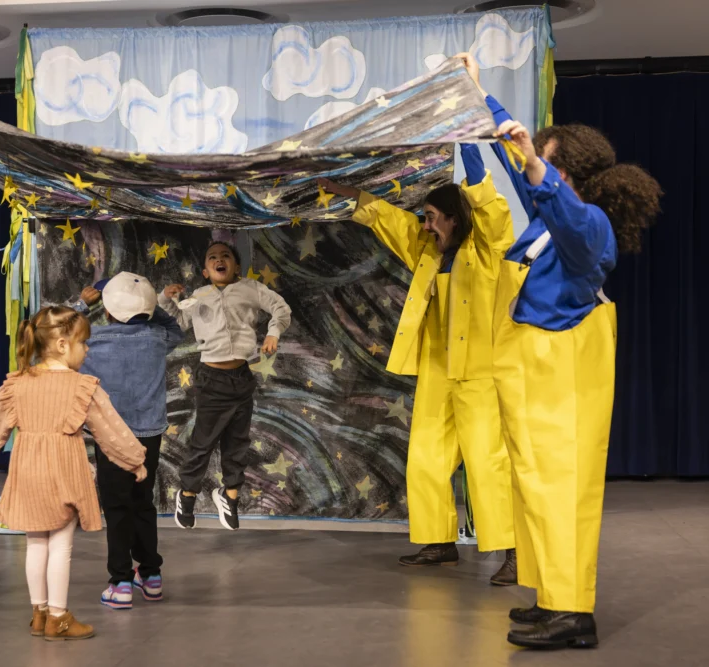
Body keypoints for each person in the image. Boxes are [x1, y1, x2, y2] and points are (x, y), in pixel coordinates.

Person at [476, 65, 662, 647]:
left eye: (544, 163)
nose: (531, 170)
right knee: (531, 485)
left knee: (559, 488)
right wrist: (478, 93)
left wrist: (532, 161)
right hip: (529, 368)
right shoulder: (544, 223)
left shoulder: (590, 226)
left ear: (563, 172)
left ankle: (573, 613)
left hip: (560, 374)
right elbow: (519, 162)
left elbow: (562, 207)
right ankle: (547, 593)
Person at [318, 132, 517, 584]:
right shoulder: (429, 250)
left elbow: (489, 207)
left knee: (487, 463)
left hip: (481, 374)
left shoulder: (487, 250)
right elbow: (388, 220)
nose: (425, 225)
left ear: (454, 217)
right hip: (438, 370)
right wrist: (349, 194)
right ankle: (440, 541)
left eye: (432, 218)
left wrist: (468, 143)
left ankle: (513, 551)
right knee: (426, 457)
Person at [0, 306, 148, 641]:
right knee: (60, 546)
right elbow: (111, 429)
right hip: (62, 470)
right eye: (83, 343)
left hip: (27, 471)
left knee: (36, 544)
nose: (87, 349)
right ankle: (58, 617)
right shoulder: (81, 386)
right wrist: (133, 460)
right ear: (63, 345)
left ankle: (38, 613)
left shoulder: (18, 383)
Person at [68, 273, 183, 609]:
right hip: (149, 433)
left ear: (106, 309)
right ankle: (151, 576)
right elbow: (176, 329)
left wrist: (80, 306)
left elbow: (51, 340)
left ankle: (120, 582)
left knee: (117, 509)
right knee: (143, 503)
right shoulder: (158, 336)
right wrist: (153, 304)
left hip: (111, 436)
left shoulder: (93, 341)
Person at [160, 242, 292, 530]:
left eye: (226, 256)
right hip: (211, 377)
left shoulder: (251, 288)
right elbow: (180, 322)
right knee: (203, 441)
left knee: (238, 441)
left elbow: (280, 308)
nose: (220, 260)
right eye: (213, 258)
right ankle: (188, 493)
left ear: (235, 265)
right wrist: (167, 300)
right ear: (206, 271)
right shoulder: (198, 295)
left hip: (240, 376)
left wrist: (273, 334)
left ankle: (230, 495)